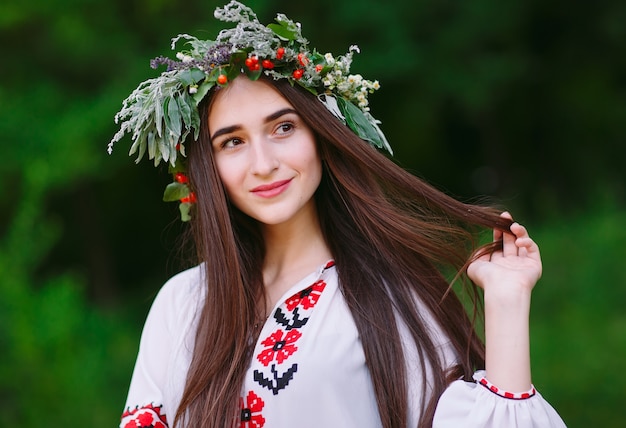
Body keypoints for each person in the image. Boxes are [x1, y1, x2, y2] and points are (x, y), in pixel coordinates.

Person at [110, 2, 567, 427]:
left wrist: (507, 302)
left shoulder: (387, 300)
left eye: (283, 128)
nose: (263, 163)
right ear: (208, 172)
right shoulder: (182, 303)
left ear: (323, 138)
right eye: (232, 142)